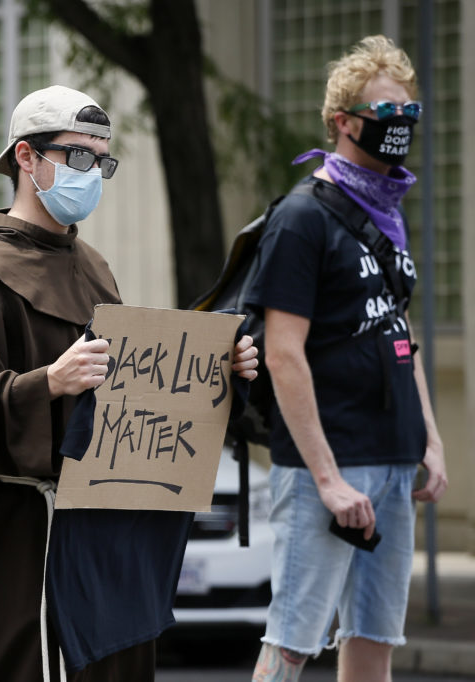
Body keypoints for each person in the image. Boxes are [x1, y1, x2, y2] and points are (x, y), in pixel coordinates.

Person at [0, 85, 259, 682]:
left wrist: (218, 376)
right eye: (78, 157)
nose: (94, 174)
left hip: (109, 543)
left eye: (101, 161)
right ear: (26, 158)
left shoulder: (94, 266)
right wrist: (45, 383)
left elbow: (131, 394)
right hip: (24, 540)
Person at [245, 36, 447, 682]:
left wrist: (430, 440)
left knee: (373, 638)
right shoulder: (302, 218)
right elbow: (283, 355)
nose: (399, 128)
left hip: (391, 458)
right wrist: (329, 479)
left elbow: (399, 332)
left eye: (408, 115)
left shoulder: (387, 215)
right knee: (293, 639)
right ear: (342, 121)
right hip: (325, 469)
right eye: (385, 114)